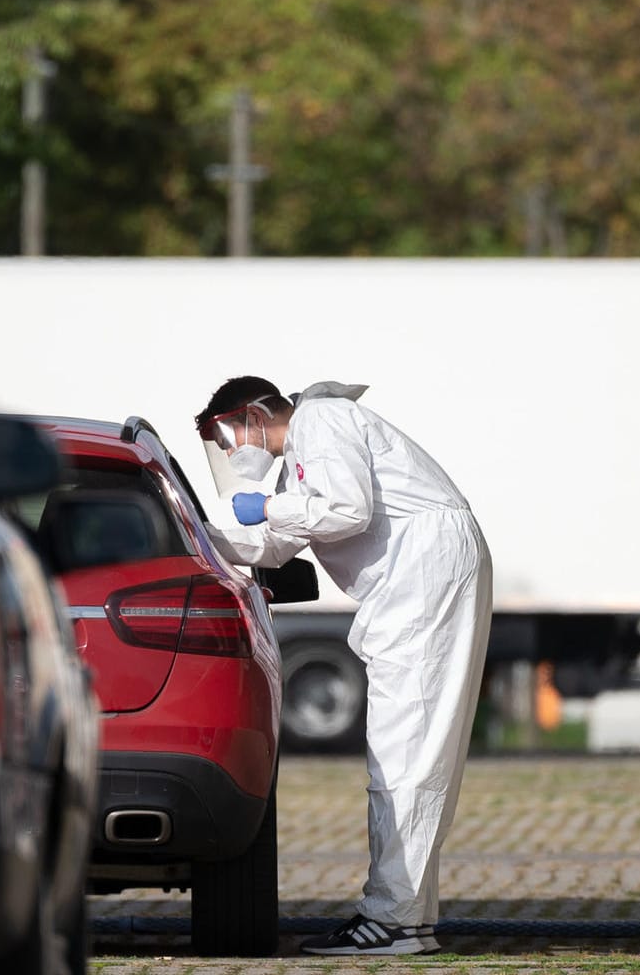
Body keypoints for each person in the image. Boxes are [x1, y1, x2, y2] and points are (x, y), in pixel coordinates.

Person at [194, 376, 492, 957]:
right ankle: (406, 918)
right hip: (419, 574)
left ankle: (395, 921)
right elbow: (277, 546)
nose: (230, 451)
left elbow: (345, 512)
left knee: (404, 750)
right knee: (409, 750)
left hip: (425, 574)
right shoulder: (306, 449)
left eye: (227, 434)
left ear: (257, 412)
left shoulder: (321, 421)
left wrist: (267, 506)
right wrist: (204, 539)